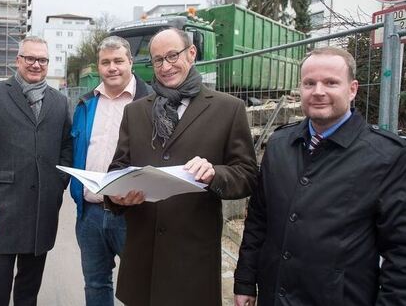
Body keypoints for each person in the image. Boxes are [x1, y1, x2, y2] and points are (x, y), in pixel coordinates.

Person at [234, 47, 406, 306]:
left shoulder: (386, 156)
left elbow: (400, 251)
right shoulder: (280, 144)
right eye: (309, 83)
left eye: (331, 83)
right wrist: (246, 281)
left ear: (352, 89)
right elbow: (259, 220)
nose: (318, 92)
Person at [106, 28, 258, 306]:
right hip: (144, 258)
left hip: (192, 259)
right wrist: (116, 195)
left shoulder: (228, 109)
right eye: (157, 60)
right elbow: (118, 168)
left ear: (191, 53)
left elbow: (247, 175)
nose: (165, 66)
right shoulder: (136, 111)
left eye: (172, 56)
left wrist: (215, 173)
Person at [0, 35, 73, 306]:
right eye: (30, 58)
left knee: (29, 290)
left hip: (42, 210)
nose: (36, 64)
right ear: (18, 60)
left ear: (48, 63)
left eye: (42, 60)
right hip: (2, 210)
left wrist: (57, 183)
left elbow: (66, 149)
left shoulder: (60, 103)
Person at [70, 36, 152, 306]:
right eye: (106, 62)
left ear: (131, 62)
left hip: (133, 215)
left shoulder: (151, 101)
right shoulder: (86, 104)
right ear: (98, 66)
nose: (112, 68)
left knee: (140, 285)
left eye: (118, 61)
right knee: (95, 284)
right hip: (90, 214)